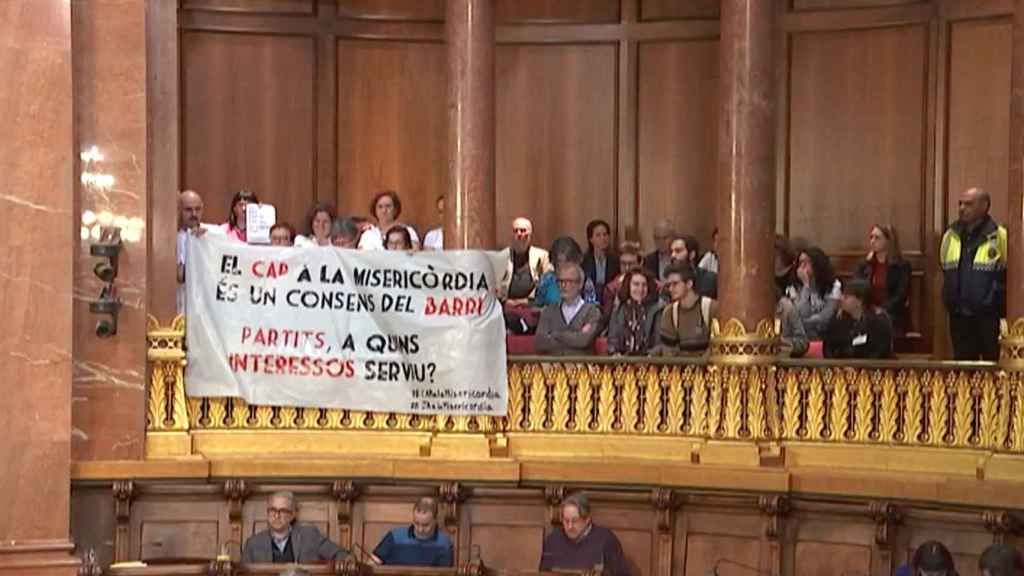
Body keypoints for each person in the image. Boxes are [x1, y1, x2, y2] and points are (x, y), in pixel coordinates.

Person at [941, 186, 1007, 361]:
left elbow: (1009, 273)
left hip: (989, 317)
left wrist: (992, 299)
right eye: (960, 204)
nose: (962, 208)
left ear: (984, 206)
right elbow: (943, 267)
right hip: (959, 316)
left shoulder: (1000, 235)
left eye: (968, 204)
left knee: (991, 367)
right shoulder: (951, 235)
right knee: (963, 370)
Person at [242, 491, 348, 564]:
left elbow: (340, 554)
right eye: (273, 510)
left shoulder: (310, 536)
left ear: (293, 515)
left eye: (282, 511)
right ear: (267, 513)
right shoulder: (253, 544)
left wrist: (347, 561)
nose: (276, 516)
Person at [539, 492, 630, 576]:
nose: (570, 526)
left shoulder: (606, 540)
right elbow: (544, 573)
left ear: (587, 519)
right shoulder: (553, 540)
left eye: (575, 521)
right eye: (566, 521)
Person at [535, 263, 602, 355]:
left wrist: (555, 334)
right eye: (560, 281)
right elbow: (540, 342)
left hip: (581, 367)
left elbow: (583, 340)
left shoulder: (592, 312)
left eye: (569, 281)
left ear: (580, 284)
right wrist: (574, 336)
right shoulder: (548, 311)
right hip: (553, 367)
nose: (563, 285)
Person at [854, 224, 911, 333]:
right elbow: (856, 289)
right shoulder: (865, 265)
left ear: (888, 241)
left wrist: (882, 310)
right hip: (867, 314)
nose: (872, 241)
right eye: (871, 237)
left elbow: (901, 295)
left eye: (877, 238)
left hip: (891, 315)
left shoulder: (901, 266)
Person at [654, 263, 717, 355]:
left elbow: (717, 347)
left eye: (675, 284)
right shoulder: (670, 313)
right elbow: (668, 352)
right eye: (669, 285)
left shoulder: (710, 307)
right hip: (680, 367)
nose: (671, 289)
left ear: (689, 284)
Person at [371, 497, 453, 567]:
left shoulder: (444, 543)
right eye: (416, 523)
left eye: (425, 525)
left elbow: (444, 572)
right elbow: (372, 563)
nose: (420, 529)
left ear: (435, 520)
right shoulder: (395, 536)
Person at [824, 278, 892, 359]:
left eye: (846, 297)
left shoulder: (878, 322)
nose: (841, 299)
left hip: (871, 368)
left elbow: (880, 351)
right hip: (840, 368)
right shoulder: (838, 319)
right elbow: (828, 348)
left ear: (860, 301)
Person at [176, 190, 218, 314]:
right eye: (188, 210)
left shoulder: (213, 234)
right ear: (179, 210)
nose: (194, 214)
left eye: (198, 209)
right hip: (179, 307)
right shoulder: (168, 238)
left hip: (206, 310)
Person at [785, 247, 841, 341]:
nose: (802, 266)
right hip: (803, 335)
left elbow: (826, 317)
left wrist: (803, 322)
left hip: (825, 333)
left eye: (806, 262)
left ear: (817, 264)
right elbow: (801, 313)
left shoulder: (833, 285)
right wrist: (806, 286)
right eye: (800, 263)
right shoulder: (793, 287)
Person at [607, 269, 662, 355]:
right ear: (628, 286)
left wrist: (646, 358)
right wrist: (615, 354)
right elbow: (612, 341)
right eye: (636, 284)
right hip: (622, 362)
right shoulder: (618, 310)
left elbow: (659, 345)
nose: (640, 289)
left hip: (648, 362)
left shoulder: (657, 310)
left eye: (644, 285)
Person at [501, 217, 551, 305]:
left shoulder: (542, 256)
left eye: (523, 230)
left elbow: (548, 284)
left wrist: (526, 302)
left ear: (530, 234)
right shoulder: (502, 257)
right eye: (515, 231)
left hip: (532, 306)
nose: (519, 234)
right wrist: (506, 301)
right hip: (507, 306)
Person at [602, 241, 657, 319]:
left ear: (640, 263)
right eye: (623, 264)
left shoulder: (653, 283)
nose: (627, 268)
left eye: (631, 264)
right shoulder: (611, 288)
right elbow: (608, 317)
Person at [535, 236, 587, 307]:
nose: (564, 264)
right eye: (560, 261)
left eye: (568, 260)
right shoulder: (546, 280)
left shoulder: (584, 279)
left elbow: (591, 307)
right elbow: (537, 305)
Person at [582, 219, 619, 307]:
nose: (603, 238)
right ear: (591, 239)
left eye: (605, 234)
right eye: (598, 235)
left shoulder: (615, 260)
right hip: (589, 303)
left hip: (610, 302)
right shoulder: (583, 260)